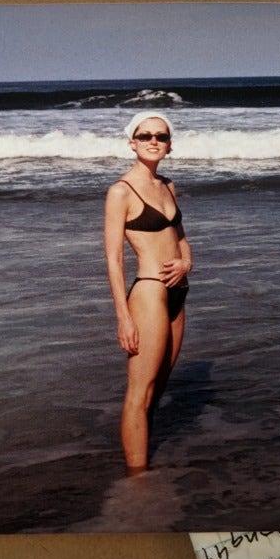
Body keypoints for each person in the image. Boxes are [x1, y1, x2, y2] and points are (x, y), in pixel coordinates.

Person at [103, 112, 192, 476]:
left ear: (170, 145)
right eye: (145, 136)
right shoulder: (121, 192)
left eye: (161, 136)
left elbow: (181, 239)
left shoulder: (168, 186)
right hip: (150, 294)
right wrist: (123, 317)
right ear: (132, 142)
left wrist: (186, 263)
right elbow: (113, 259)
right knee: (139, 392)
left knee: (158, 388)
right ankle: (137, 484)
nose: (153, 141)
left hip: (178, 292)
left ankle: (144, 461)